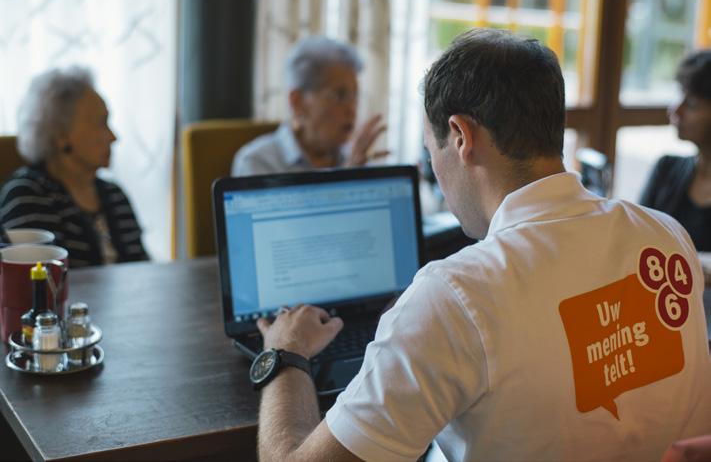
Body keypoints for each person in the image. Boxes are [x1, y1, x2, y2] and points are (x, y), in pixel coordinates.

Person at [251, 29, 711, 461]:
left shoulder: (454, 297)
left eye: (433, 153)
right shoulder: (665, 234)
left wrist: (284, 353)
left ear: (461, 136)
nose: (438, 176)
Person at [0, 67, 148, 268]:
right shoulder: (27, 195)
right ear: (61, 135)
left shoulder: (115, 195)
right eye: (101, 123)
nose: (114, 137)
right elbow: (42, 281)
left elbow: (143, 271)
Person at [231, 36, 386, 176]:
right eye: (340, 96)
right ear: (297, 102)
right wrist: (348, 175)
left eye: (355, 96)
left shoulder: (356, 158)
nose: (352, 109)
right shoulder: (258, 162)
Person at [640, 50, 711, 281]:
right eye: (679, 96)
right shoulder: (666, 169)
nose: (675, 111)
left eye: (691, 104)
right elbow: (633, 241)